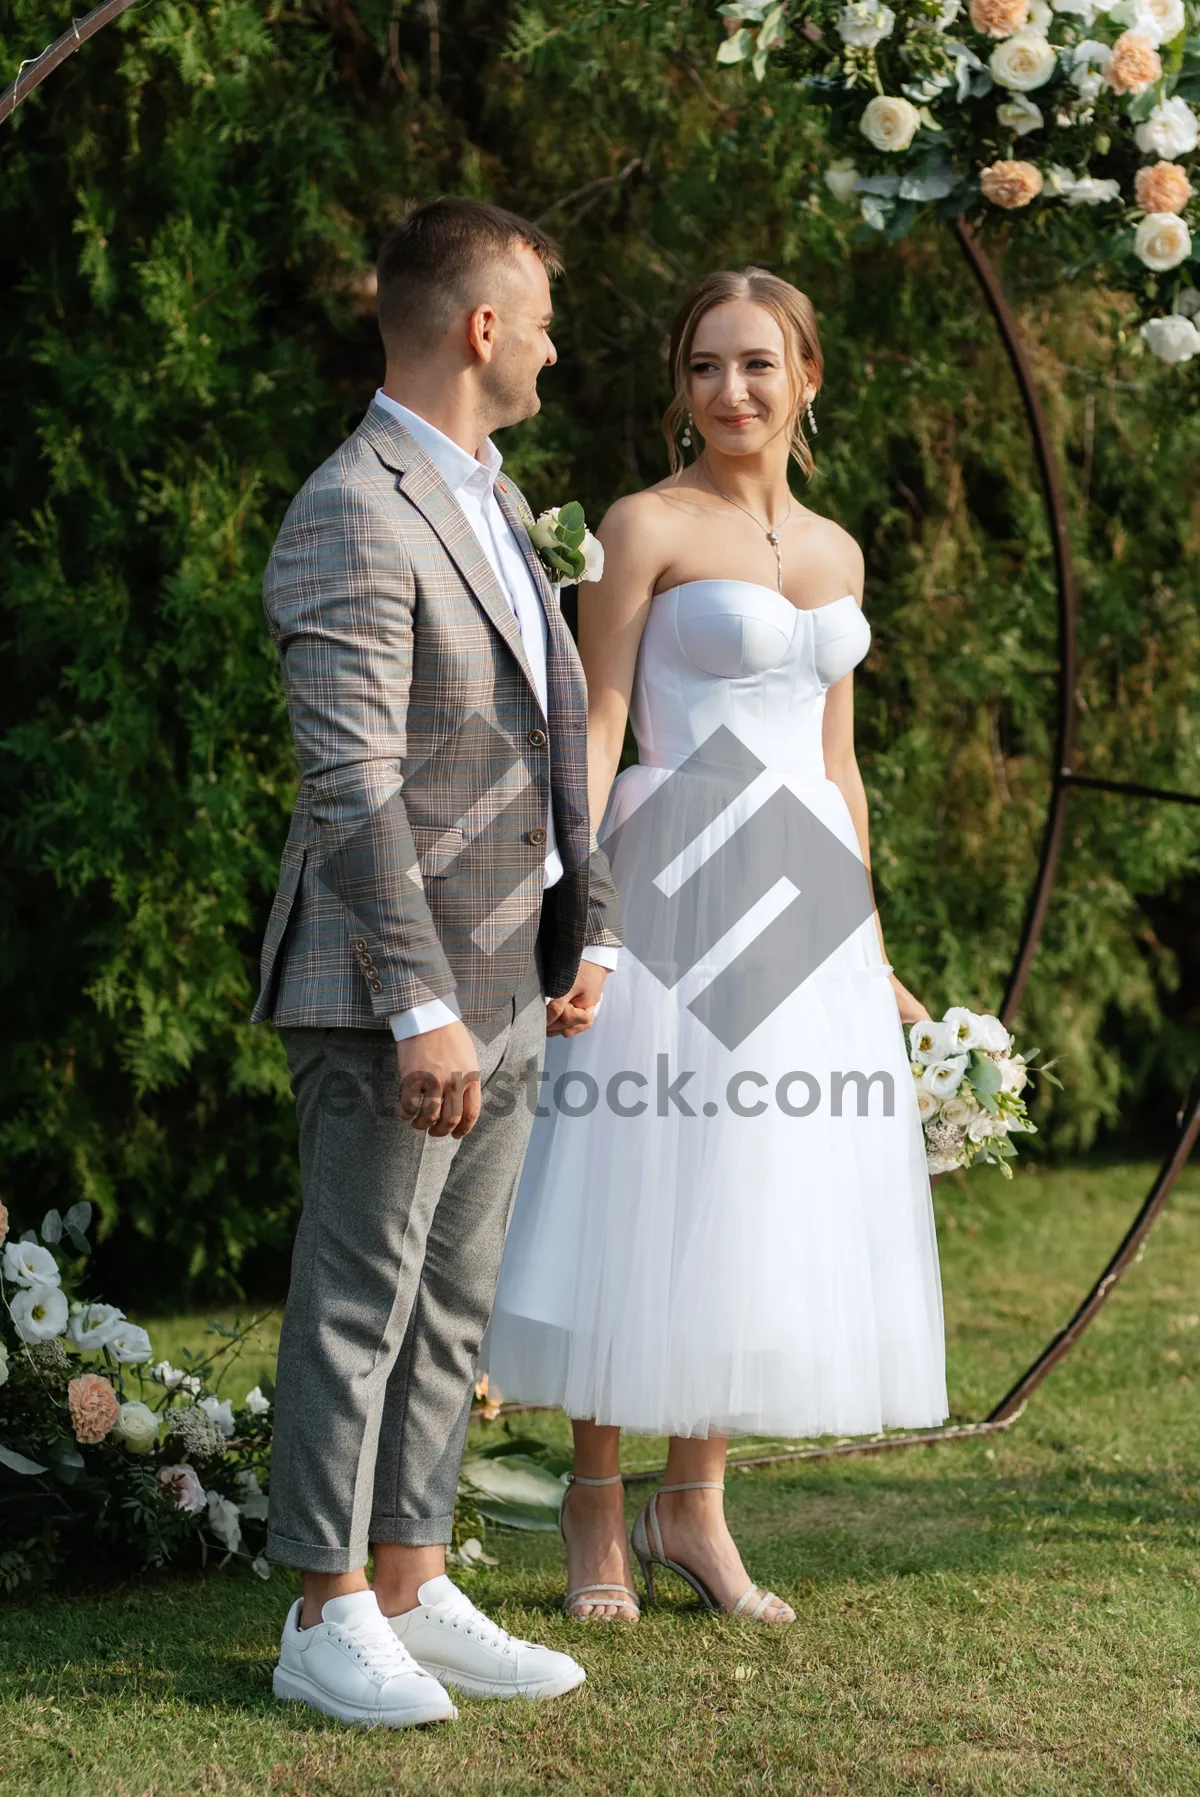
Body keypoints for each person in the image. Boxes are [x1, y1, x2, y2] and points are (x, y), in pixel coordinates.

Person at [483, 267, 948, 1626]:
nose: (728, 392)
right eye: (702, 367)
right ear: (677, 385)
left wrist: (867, 942)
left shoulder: (840, 553)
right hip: (668, 869)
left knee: (749, 1188)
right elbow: (601, 720)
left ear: (808, 376)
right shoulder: (643, 525)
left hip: (798, 892)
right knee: (632, 1169)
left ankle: (695, 1509)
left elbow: (839, 765)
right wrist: (577, 909)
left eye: (756, 364)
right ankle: (592, 1515)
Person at [253, 196, 623, 1726]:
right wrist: (419, 1007)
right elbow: (351, 783)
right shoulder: (356, 503)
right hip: (392, 994)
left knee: (450, 1304)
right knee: (360, 1301)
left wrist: (576, 926)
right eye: (538, 316)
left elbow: (538, 733)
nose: (550, 341)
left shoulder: (489, 491)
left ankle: (410, 1576)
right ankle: (320, 1609)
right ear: (481, 328)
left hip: (506, 978)